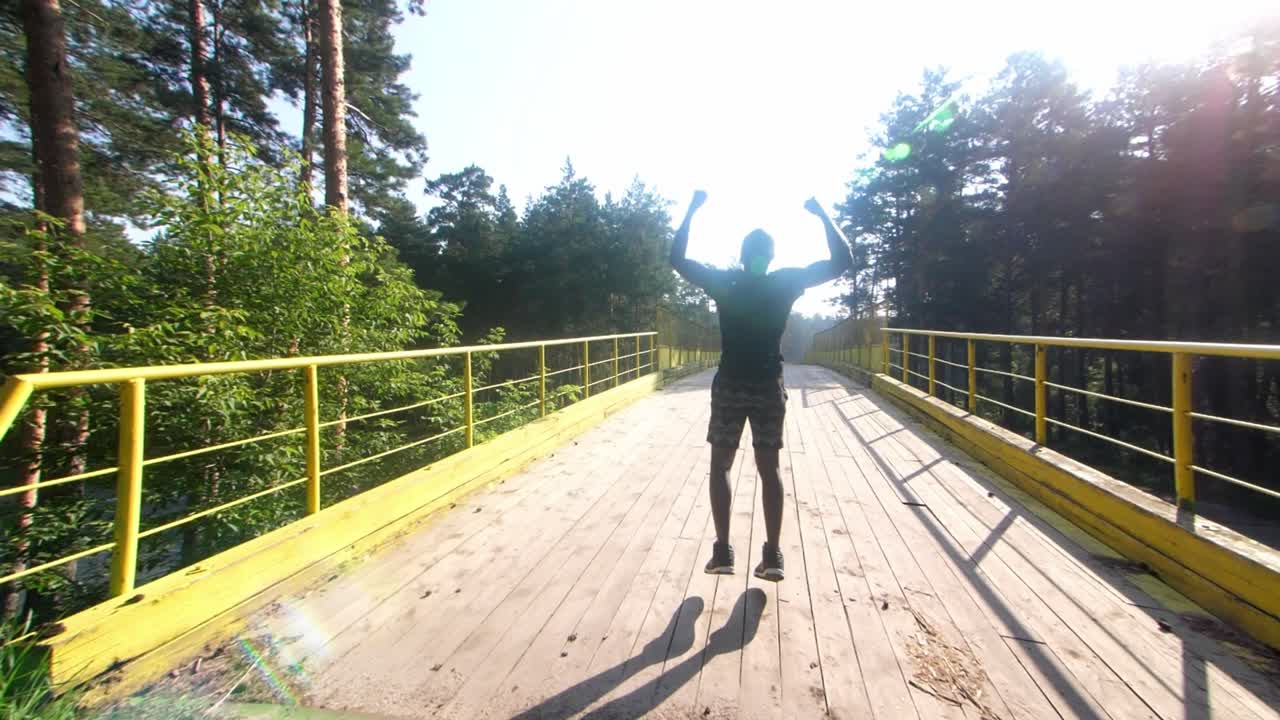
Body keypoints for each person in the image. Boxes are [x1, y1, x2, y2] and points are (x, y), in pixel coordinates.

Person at [670, 190, 853, 581]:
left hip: (731, 382)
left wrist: (691, 210)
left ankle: (722, 553)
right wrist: (822, 215)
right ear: (770, 257)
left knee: (720, 465)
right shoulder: (785, 283)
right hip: (769, 384)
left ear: (741, 256)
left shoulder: (725, 282)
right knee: (770, 470)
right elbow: (843, 261)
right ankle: (772, 556)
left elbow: (676, 259)